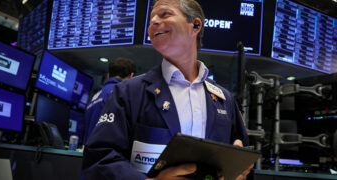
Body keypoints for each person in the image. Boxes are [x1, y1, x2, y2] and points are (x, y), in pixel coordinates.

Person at [82, 0, 252, 179]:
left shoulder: (225, 99)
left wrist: (239, 171)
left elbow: (244, 159)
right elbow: (99, 159)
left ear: (195, 25)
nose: (153, 22)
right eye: (151, 19)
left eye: (165, 14)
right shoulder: (128, 92)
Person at [83, 57, 136, 144]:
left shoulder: (95, 96)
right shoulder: (122, 93)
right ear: (131, 76)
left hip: (88, 153)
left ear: (108, 75)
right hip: (107, 154)